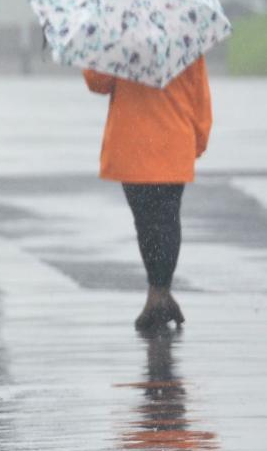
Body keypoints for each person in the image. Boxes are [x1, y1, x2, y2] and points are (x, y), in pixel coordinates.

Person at [83, 58, 212, 330]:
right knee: (167, 219)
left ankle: (157, 292)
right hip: (173, 140)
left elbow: (98, 83)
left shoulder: (119, 38)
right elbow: (199, 94)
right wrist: (198, 141)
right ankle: (160, 290)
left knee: (145, 222)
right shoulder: (184, 37)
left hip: (132, 142)